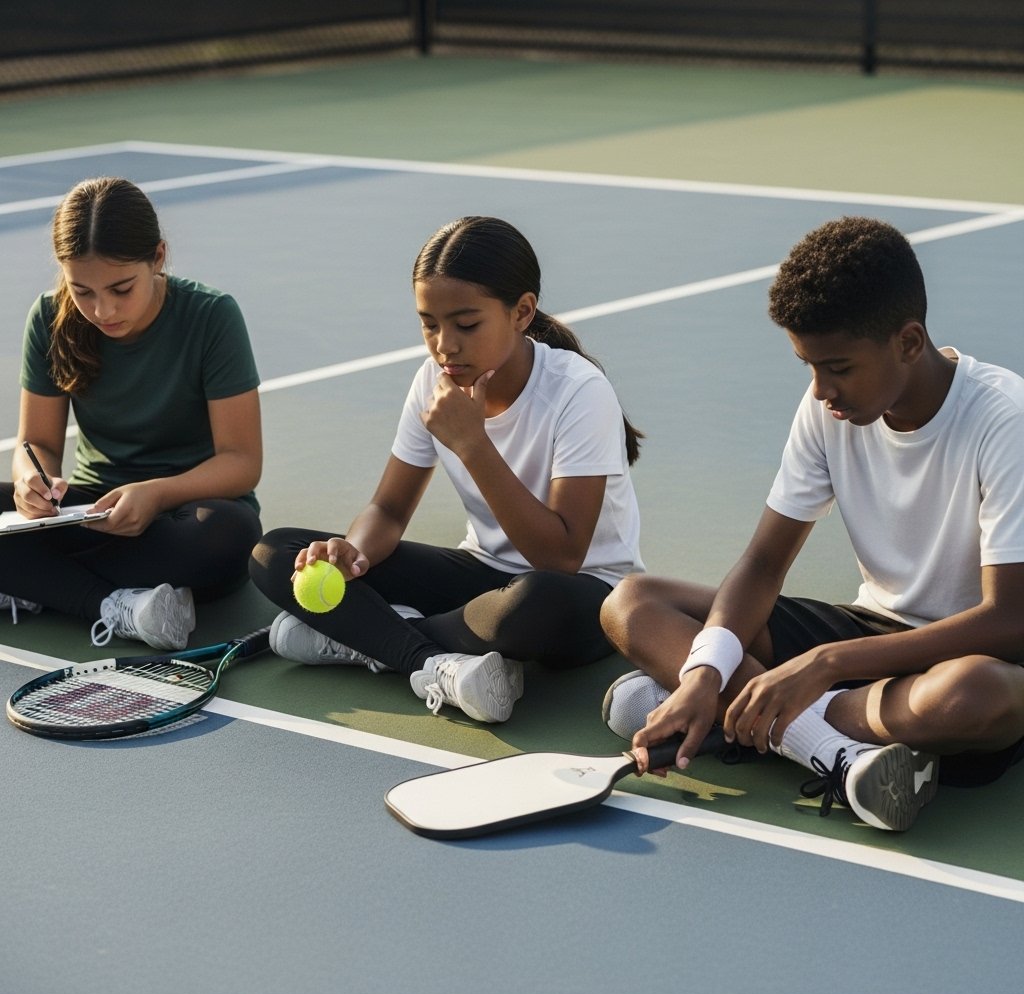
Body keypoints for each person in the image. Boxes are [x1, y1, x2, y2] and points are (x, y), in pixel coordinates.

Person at [600, 216, 1024, 832]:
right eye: (809, 367)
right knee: (632, 601)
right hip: (870, 645)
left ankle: (750, 720)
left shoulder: (1005, 420)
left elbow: (1011, 622)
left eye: (839, 367)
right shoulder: (830, 407)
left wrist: (823, 665)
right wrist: (702, 672)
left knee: (972, 697)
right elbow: (763, 564)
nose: (822, 390)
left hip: (968, 656)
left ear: (908, 342)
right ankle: (830, 749)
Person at [250, 215, 644, 723]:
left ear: (522, 312)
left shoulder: (579, 391)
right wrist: (354, 554)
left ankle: (363, 638)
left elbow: (561, 555)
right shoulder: (431, 381)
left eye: (466, 324)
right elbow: (388, 510)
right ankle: (426, 659)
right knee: (273, 553)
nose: (445, 345)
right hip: (480, 576)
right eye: (428, 324)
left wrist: (473, 444)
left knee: (529, 606)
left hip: (586, 596)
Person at [1, 177, 263, 650]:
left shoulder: (212, 316)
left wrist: (157, 494)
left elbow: (241, 462)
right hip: (86, 513)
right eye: (82, 291)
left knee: (233, 537)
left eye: (122, 288)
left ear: (158, 257)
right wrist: (30, 481)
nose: (103, 310)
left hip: (186, 516)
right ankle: (117, 606)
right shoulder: (48, 317)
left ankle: (36, 582)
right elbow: (35, 445)